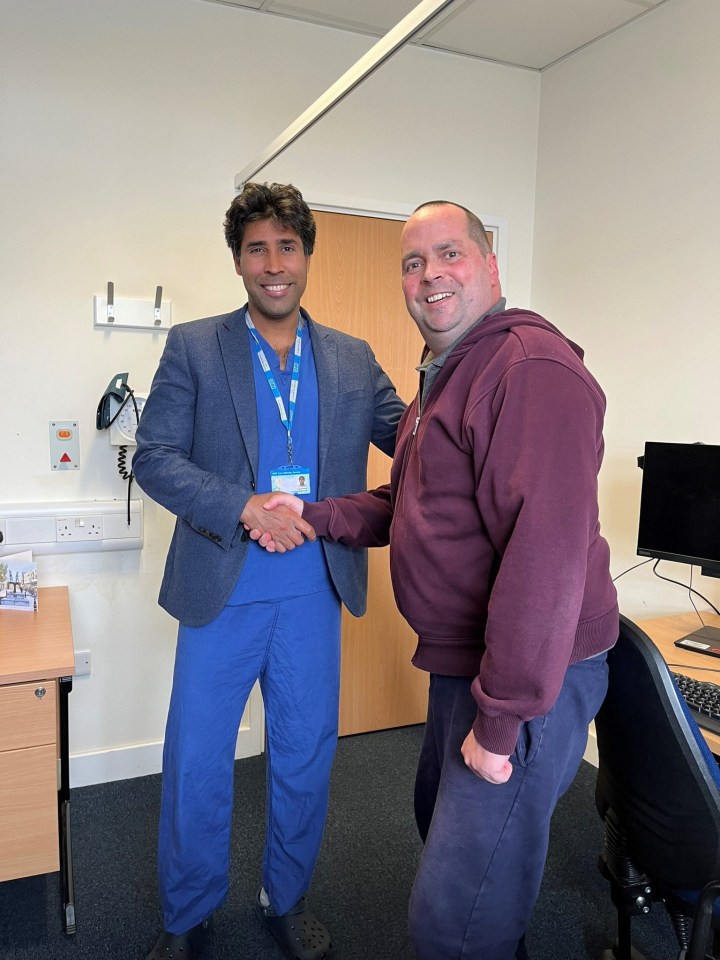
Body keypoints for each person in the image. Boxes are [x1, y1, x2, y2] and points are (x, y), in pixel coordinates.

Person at [257, 200, 619, 960]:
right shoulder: (450, 374)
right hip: (466, 662)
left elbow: (543, 558)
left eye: (449, 255)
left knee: (452, 916)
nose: (430, 276)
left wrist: (502, 720)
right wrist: (319, 516)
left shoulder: (530, 370)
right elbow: (415, 502)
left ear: (490, 265)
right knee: (446, 832)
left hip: (527, 678)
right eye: (413, 263)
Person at [132, 181, 406, 960]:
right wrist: (243, 506)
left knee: (304, 753)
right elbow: (154, 458)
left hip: (314, 592)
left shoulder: (353, 359)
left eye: (287, 246)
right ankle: (187, 915)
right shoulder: (194, 346)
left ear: (308, 255)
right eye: (257, 248)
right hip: (223, 588)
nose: (274, 264)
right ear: (238, 260)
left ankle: (284, 899)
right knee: (197, 759)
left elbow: (418, 440)